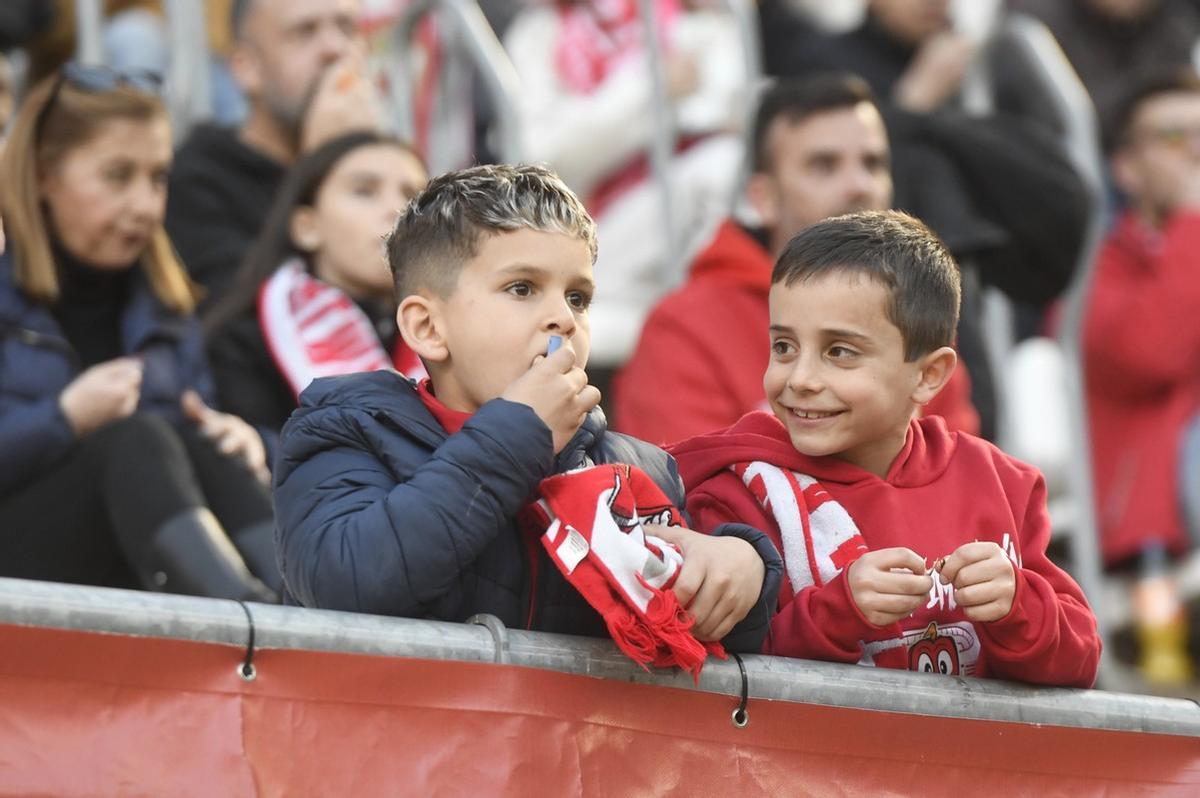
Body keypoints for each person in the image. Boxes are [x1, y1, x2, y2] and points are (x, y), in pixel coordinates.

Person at [273, 164, 782, 651]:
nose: (563, 317)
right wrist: (520, 434)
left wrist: (744, 575)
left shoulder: (638, 469)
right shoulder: (345, 431)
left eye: (578, 298)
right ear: (428, 327)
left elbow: (691, 642)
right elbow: (347, 585)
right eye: (522, 288)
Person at [670, 211, 1100, 687]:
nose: (800, 379)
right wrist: (839, 611)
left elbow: (1081, 661)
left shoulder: (1001, 484)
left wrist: (1017, 605)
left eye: (839, 352)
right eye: (784, 347)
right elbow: (723, 671)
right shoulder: (743, 487)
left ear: (928, 375)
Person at [0, 64, 280, 600]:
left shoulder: (166, 307)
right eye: (117, 176)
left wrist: (250, 443)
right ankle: (243, 622)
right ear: (42, 176)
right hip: (17, 569)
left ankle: (300, 614)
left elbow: (184, 464)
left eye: (158, 178)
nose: (145, 205)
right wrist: (64, 418)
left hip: (123, 559)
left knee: (210, 449)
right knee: (134, 439)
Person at [614, 75, 978, 445]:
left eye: (873, 164)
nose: (859, 186)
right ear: (764, 198)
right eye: (824, 165)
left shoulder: (915, 313)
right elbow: (687, 477)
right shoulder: (684, 328)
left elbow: (959, 471)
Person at [502, 0, 747, 366]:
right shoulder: (540, 30)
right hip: (586, 224)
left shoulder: (692, 17)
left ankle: (702, 311)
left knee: (724, 163)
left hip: (672, 220)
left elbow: (726, 117)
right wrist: (646, 90)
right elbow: (541, 159)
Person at [204, 131, 429, 433]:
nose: (396, 210)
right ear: (307, 227)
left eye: (414, 197)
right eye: (365, 191)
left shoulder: (452, 335)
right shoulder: (244, 343)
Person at [166, 0, 381, 310]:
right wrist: (320, 166)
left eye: (347, 28)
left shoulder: (390, 168)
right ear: (247, 67)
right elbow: (239, 317)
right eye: (305, 31)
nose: (335, 49)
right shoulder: (197, 179)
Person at [1084, 69, 1200, 568]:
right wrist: (1193, 220)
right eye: (1174, 137)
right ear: (1126, 169)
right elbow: (1149, 357)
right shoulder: (1097, 271)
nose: (1195, 151)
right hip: (1155, 530)